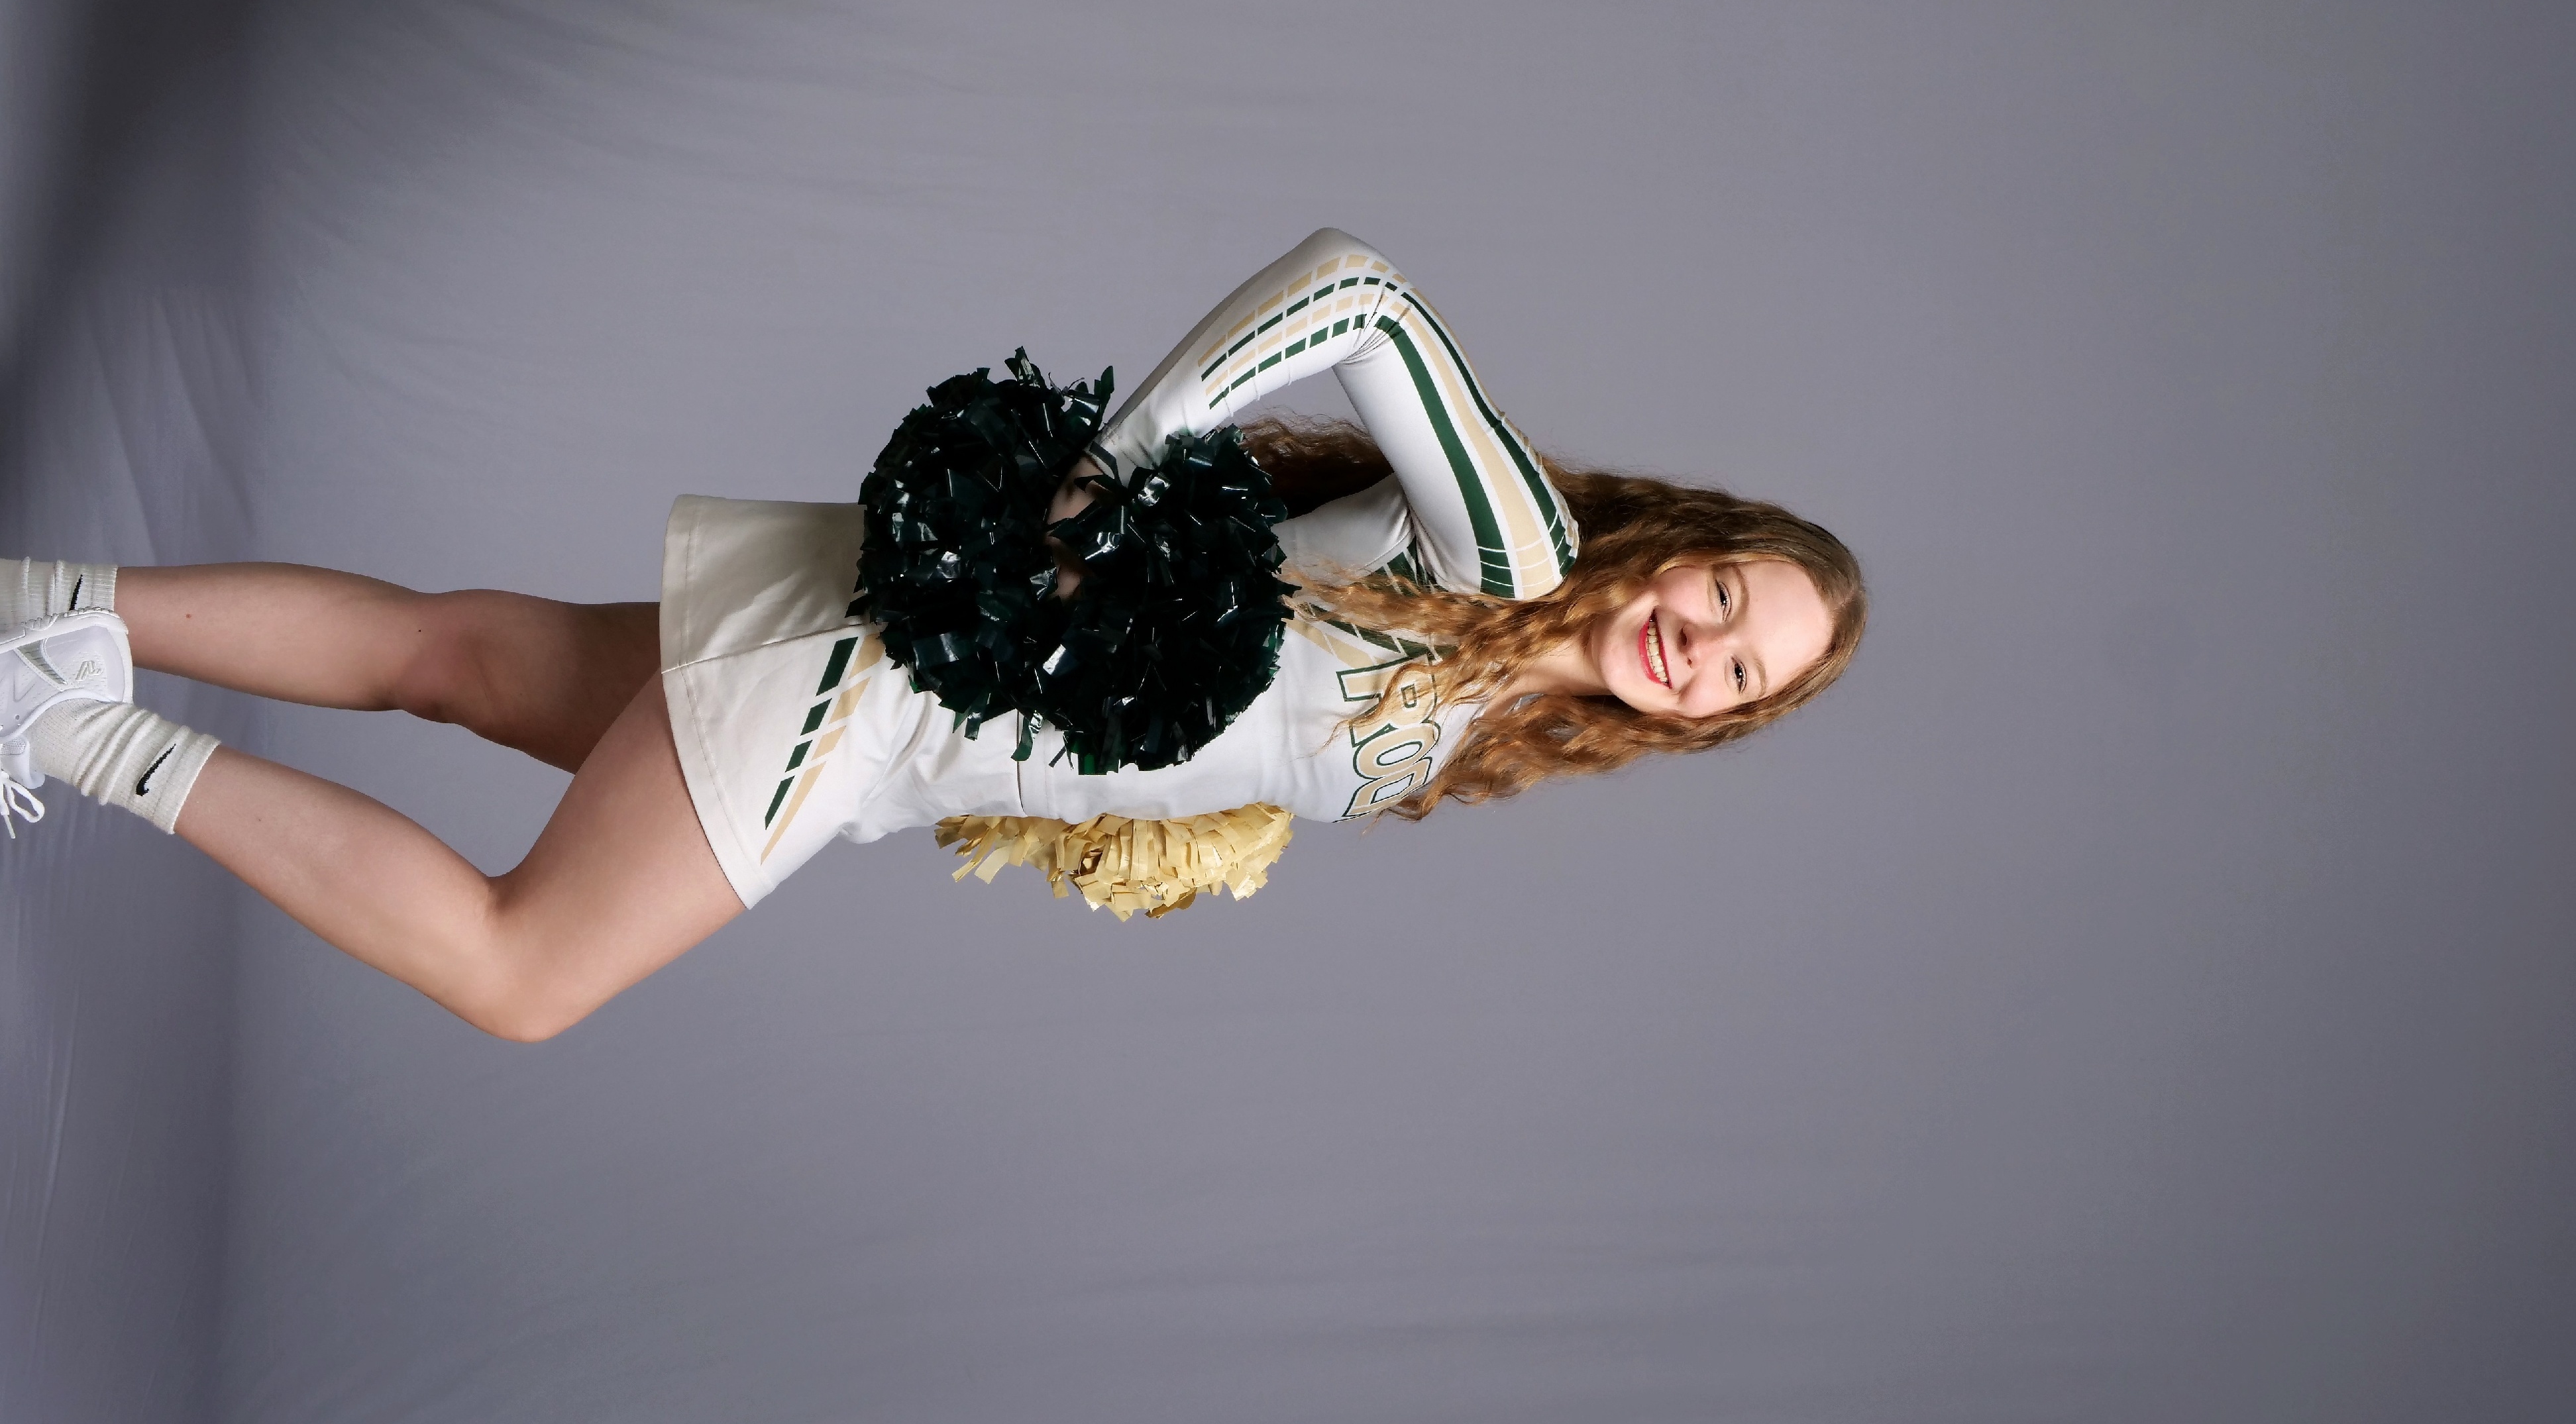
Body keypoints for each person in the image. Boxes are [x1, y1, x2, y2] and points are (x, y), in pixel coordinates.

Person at [0, 230, 1864, 1039]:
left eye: (1740, 672)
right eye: (1724, 594)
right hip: (882, 694)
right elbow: (1358, 295)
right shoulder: (1522, 548)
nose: (1698, 644)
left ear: (1714, 722)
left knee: (460, 665)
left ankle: (46, 610)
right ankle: (67, 719)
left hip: (906, 702)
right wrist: (1118, 466)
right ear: (1685, 543)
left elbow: (1231, 707)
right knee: (522, 972)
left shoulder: (1497, 714)